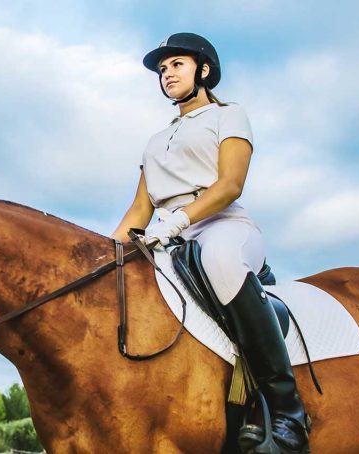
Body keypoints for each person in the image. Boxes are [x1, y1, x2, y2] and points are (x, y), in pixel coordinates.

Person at [110, 33, 310, 454]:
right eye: (162, 69)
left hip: (222, 226)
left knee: (221, 261)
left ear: (203, 70)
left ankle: (288, 410)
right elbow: (138, 212)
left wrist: (181, 220)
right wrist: (101, 255)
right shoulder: (154, 141)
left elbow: (230, 184)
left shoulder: (229, 115)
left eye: (176, 64)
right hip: (168, 235)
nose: (167, 74)